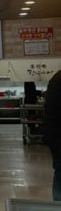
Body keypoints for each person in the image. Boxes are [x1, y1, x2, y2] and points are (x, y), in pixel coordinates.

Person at [43, 70, 61, 200]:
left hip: (54, 135)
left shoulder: (56, 78)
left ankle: (57, 207)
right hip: (57, 134)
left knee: (60, 171)